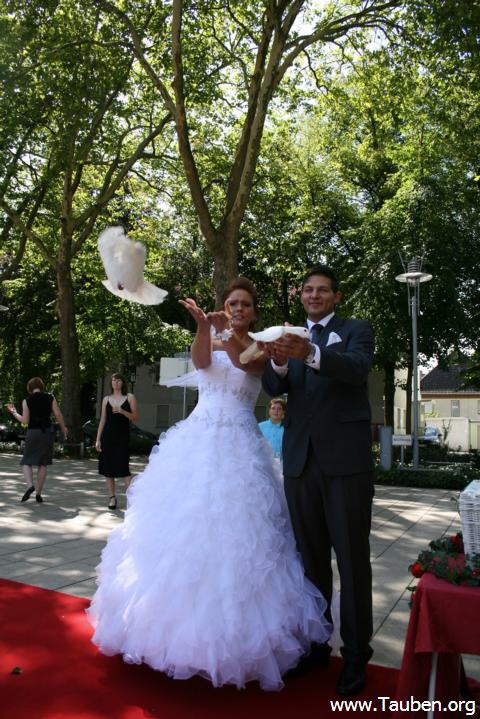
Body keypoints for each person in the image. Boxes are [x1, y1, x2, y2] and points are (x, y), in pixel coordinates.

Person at [87, 277, 331, 691]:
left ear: (253, 311)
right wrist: (203, 327)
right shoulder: (212, 334)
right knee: (183, 530)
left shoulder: (263, 344)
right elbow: (201, 363)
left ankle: (238, 641)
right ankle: (164, 632)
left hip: (240, 444)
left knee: (243, 536)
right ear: (225, 305)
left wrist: (229, 334)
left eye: (245, 304)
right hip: (197, 439)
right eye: (232, 303)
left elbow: (245, 365)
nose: (238, 308)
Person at [261, 265, 375, 696]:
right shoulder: (288, 335)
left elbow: (356, 369)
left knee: (352, 563)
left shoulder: (356, 330)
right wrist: (278, 358)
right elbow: (273, 385)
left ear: (336, 296)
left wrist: (308, 351)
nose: (313, 295)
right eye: (308, 289)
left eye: (322, 290)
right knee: (309, 564)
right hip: (300, 463)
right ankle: (316, 645)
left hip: (345, 464)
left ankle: (356, 657)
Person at [6, 376, 68, 503]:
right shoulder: (50, 397)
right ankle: (38, 494)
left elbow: (25, 421)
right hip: (47, 433)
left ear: (30, 388)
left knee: (26, 461)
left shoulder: (26, 400)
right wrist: (63, 428)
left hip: (33, 432)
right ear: (41, 386)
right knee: (43, 463)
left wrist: (14, 412)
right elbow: (57, 414)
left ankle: (30, 486)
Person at [96, 373, 138, 510]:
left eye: (118, 380)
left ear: (123, 383)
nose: (116, 382)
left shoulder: (130, 397)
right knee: (108, 470)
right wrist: (98, 439)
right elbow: (102, 420)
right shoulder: (106, 399)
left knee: (124, 468)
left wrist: (122, 411)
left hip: (122, 437)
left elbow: (135, 417)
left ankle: (133, 499)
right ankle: (112, 498)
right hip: (108, 437)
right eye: (114, 380)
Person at [258, 397, 286, 463]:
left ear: (283, 412)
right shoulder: (259, 427)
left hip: (282, 464)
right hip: (263, 463)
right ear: (269, 411)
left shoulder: (287, 429)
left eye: (279, 409)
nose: (276, 411)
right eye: (273, 408)